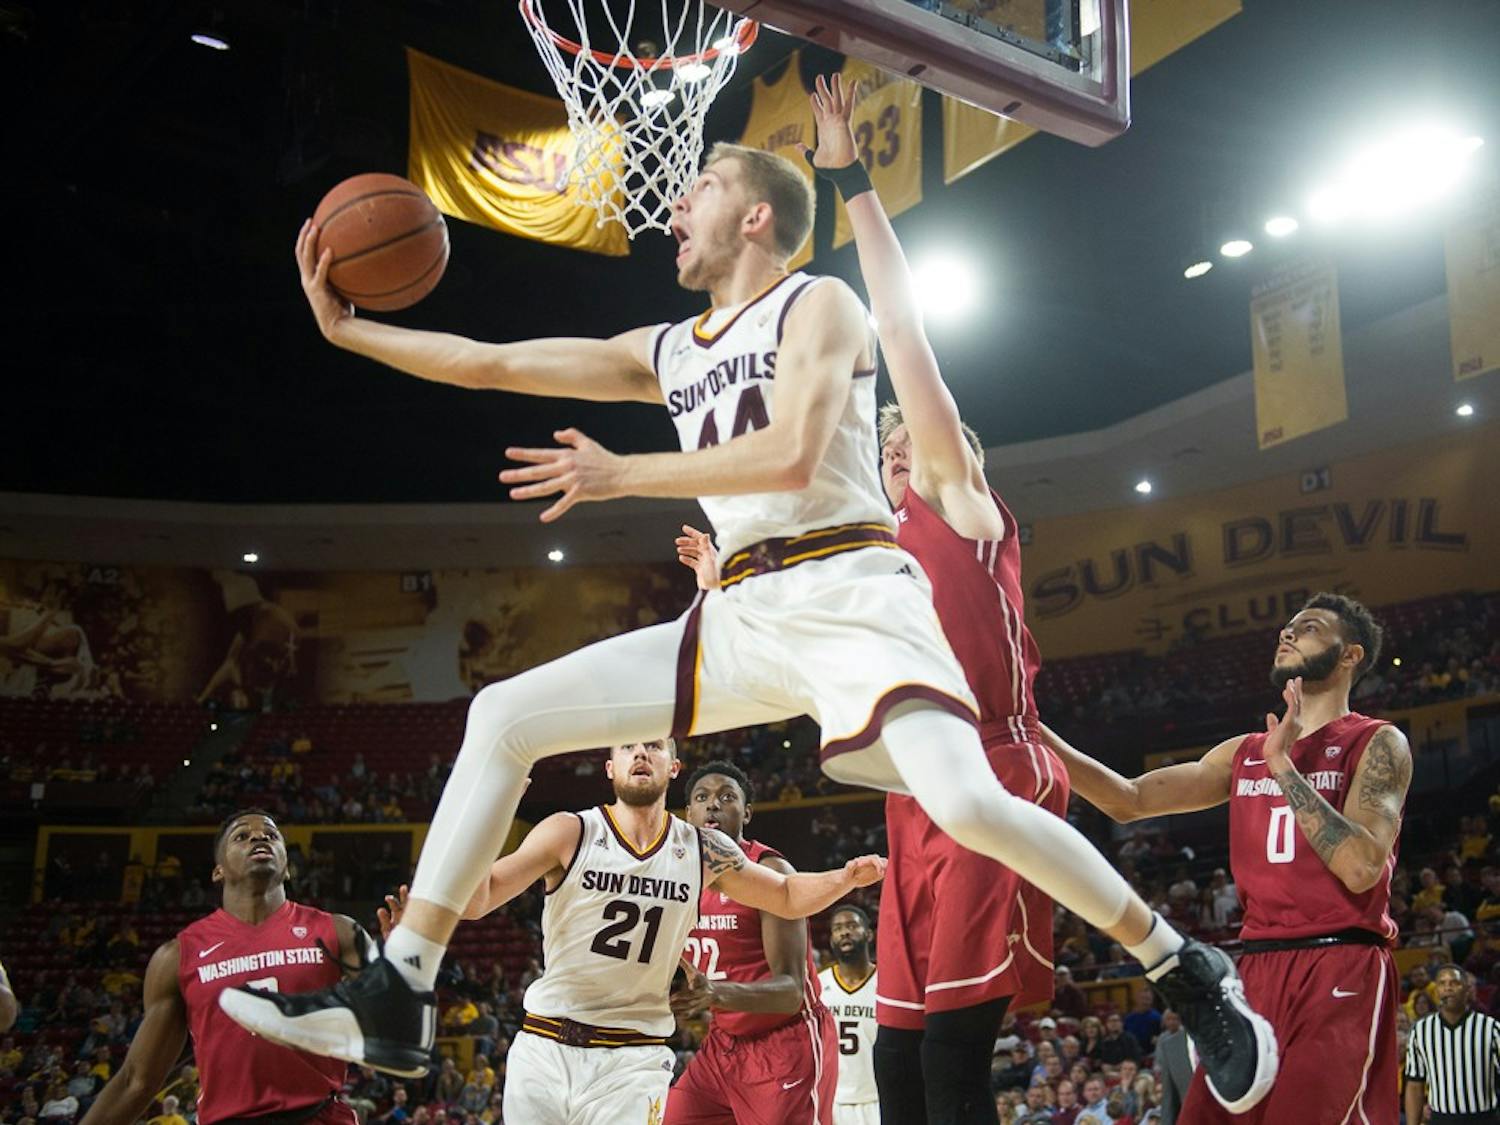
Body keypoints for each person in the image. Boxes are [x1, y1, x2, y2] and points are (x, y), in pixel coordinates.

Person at [222, 78, 1274, 1120]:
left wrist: (624, 474)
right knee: (502, 715)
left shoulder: (820, 303)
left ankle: (1182, 967)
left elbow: (793, 454)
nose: (675, 209)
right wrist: (346, 333)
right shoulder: (669, 350)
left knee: (963, 804)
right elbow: (491, 362)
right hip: (741, 615)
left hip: (853, 591)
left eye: (700, 186)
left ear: (759, 213)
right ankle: (402, 987)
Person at [374, 740, 883, 1125]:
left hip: (632, 1056)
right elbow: (481, 896)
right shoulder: (569, 830)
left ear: (671, 767)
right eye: (629, 746)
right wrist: (422, 917)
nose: (642, 751)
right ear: (611, 767)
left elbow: (788, 895)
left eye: (655, 745)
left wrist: (845, 878)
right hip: (545, 1044)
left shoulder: (704, 850)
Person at [1045, 594, 1411, 1125]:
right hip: (1255, 970)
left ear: (1350, 654)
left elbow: (1359, 866)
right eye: (1285, 628)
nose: (1287, 634)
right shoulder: (1243, 751)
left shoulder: (1376, 742)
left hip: (1341, 964)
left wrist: (1283, 768)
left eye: (1306, 628)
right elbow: (1129, 800)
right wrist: (1028, 729)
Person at [81, 810, 368, 1125]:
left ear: (287, 868)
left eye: (271, 835)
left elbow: (399, 1019)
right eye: (242, 835)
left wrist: (413, 952)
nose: (259, 837)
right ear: (218, 871)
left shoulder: (339, 932)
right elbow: (137, 1080)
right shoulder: (178, 955)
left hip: (319, 1115)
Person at [667, 761, 838, 1123]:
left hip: (786, 1042)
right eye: (702, 797)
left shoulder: (771, 871)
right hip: (722, 1043)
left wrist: (715, 994)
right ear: (688, 814)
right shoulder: (676, 878)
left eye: (727, 797)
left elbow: (791, 991)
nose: (713, 804)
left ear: (746, 813)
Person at [1404, 963, 1500, 1124]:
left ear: (1467, 989)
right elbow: (1414, 1084)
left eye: (1454, 983)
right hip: (1441, 1119)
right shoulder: (1421, 1030)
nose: (1448, 988)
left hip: (1484, 1118)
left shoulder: (1491, 1028)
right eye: (1442, 983)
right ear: (1437, 991)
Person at [818, 904, 880, 1125]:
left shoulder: (888, 985)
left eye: (852, 926)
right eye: (837, 928)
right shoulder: (818, 987)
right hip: (832, 1100)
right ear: (832, 939)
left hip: (877, 1099)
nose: (844, 932)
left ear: (869, 934)